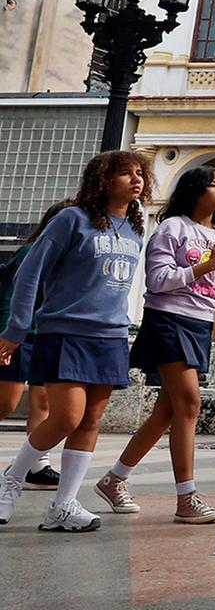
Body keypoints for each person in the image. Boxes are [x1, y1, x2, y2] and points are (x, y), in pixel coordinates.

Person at [97, 167, 215, 523]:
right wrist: (206, 265)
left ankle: (114, 480)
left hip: (199, 326)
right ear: (193, 190)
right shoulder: (172, 228)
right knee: (190, 403)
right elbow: (157, 281)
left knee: (168, 412)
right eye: (213, 185)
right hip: (168, 321)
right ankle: (186, 497)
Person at [0, 150, 152, 531]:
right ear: (102, 180)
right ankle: (10, 481)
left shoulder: (135, 228)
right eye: (125, 173)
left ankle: (63, 505)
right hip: (65, 332)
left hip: (111, 336)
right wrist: (16, 329)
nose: (136, 180)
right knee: (66, 416)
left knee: (91, 420)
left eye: (140, 173)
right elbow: (29, 275)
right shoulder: (73, 220)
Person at [0, 200, 76, 494]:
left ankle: (37, 466)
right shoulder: (31, 252)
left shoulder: (68, 257)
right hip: (20, 335)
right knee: (6, 402)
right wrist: (7, 335)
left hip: (46, 335)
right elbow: (11, 295)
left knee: (43, 401)